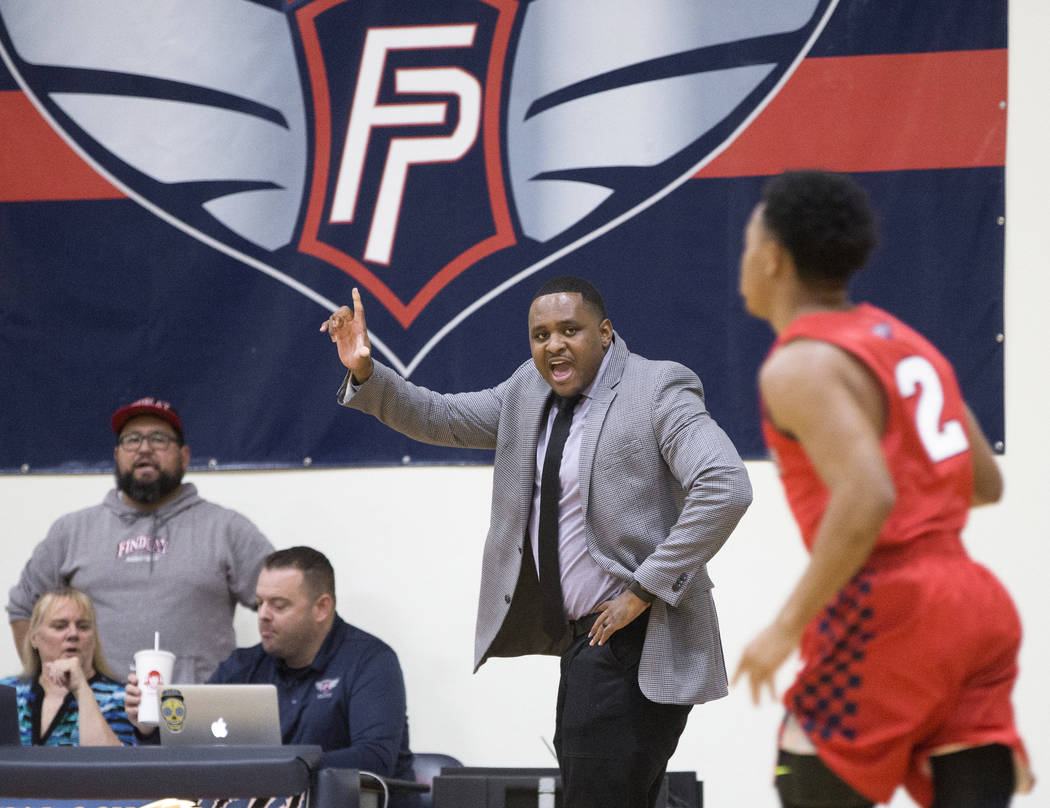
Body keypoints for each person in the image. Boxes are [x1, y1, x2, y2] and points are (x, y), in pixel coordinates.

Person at [322, 276, 752, 808]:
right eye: (540, 334)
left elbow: (725, 485)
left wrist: (645, 588)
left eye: (570, 330)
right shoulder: (528, 389)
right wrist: (365, 370)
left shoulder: (656, 388)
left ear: (605, 332)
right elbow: (443, 417)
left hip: (640, 640)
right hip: (583, 643)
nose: (553, 345)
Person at [732, 170, 1033, 807]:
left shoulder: (798, 364)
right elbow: (983, 481)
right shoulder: (904, 342)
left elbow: (868, 498)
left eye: (746, 245)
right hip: (975, 604)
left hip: (889, 606)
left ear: (771, 258)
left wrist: (785, 628)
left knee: (807, 773)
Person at [7, 397, 274, 683]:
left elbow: (282, 602)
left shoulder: (227, 529)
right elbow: (24, 608)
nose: (144, 449)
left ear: (184, 456)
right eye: (132, 439)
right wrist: (48, 687)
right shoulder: (71, 532)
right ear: (116, 455)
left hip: (195, 716)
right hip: (94, 714)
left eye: (159, 439)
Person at [127, 547, 418, 793]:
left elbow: (374, 758)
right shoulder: (242, 666)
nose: (263, 615)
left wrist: (282, 767)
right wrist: (151, 727)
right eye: (260, 603)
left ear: (321, 608)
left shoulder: (370, 661)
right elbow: (189, 747)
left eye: (278, 605)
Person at [0, 587, 136, 745]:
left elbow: (110, 765)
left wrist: (81, 689)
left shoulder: (121, 699)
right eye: (60, 626)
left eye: (83, 627)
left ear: (94, 638)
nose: (73, 634)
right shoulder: (7, 694)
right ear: (34, 638)